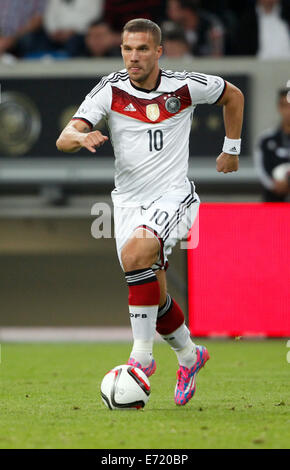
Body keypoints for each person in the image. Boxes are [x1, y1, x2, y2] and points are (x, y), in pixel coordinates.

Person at [56, 18, 244, 406]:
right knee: (152, 294)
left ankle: (141, 359)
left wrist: (232, 148)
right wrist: (81, 135)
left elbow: (234, 95)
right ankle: (191, 356)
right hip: (126, 202)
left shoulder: (185, 86)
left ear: (159, 51)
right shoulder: (110, 90)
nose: (134, 57)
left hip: (173, 196)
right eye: (127, 48)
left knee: (136, 254)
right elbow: (64, 137)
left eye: (142, 49)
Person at [254, 88, 290, 202]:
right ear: (279, 107)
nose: (288, 111)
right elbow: (261, 169)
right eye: (285, 106)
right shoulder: (266, 139)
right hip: (273, 201)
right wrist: (273, 185)